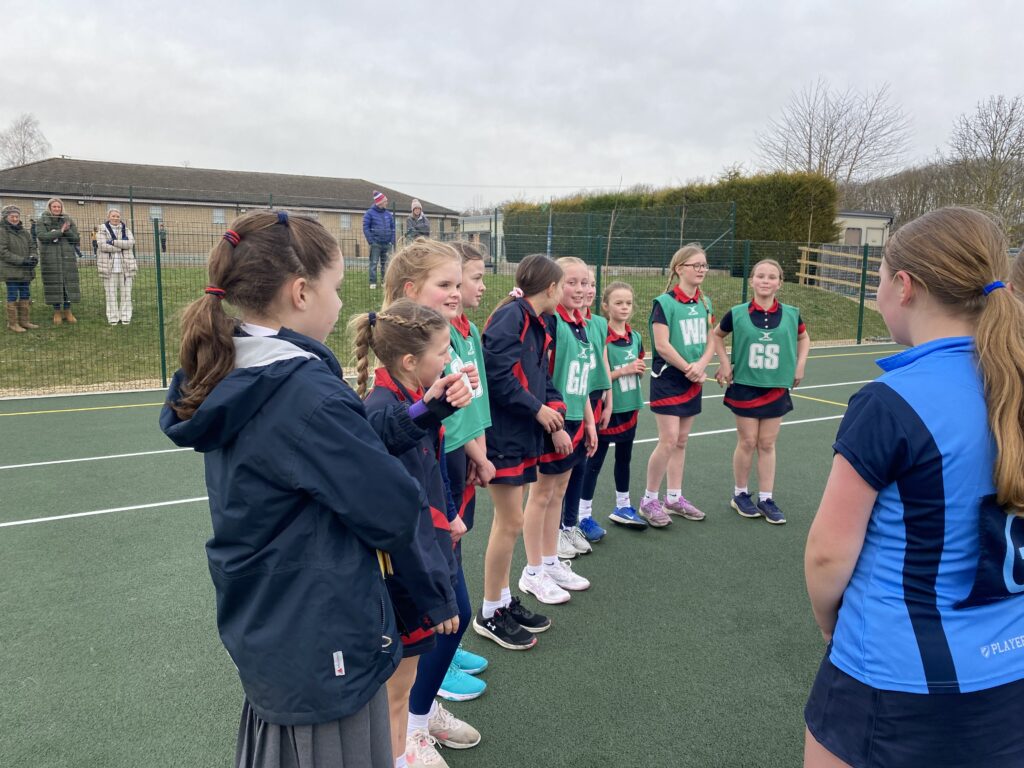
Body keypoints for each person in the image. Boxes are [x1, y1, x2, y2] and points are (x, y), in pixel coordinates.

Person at [160, 210, 425, 768]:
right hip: (319, 626)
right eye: (336, 288)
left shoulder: (236, 368)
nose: (339, 302)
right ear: (301, 292)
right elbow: (392, 509)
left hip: (274, 618)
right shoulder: (303, 392)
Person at [803, 207, 1024, 768]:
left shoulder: (892, 402)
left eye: (878, 278)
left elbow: (828, 556)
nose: (877, 292)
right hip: (1010, 674)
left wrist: (834, 629)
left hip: (897, 676)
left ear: (905, 286)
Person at [379, 241, 486, 762]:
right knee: (445, 611)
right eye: (445, 284)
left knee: (449, 613)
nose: (459, 292)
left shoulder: (446, 344)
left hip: (446, 478)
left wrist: (473, 452)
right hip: (423, 503)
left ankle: (418, 713)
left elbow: (446, 418)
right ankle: (410, 725)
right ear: (409, 294)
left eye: (457, 282)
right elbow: (399, 439)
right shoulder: (391, 382)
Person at [351, 300, 466, 768]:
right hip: (403, 578)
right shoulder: (382, 407)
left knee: (400, 689)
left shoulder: (403, 401)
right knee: (395, 695)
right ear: (408, 362)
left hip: (415, 568)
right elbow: (405, 516)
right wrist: (435, 595)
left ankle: (400, 752)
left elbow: (419, 459)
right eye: (443, 351)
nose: (450, 360)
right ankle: (399, 756)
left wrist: (432, 406)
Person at [473, 254, 564, 650]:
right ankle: (490, 611)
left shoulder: (537, 320)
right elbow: (498, 377)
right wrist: (537, 409)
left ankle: (503, 600)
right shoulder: (512, 316)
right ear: (551, 288)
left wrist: (551, 407)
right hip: (504, 438)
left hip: (521, 435)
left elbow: (538, 377)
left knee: (511, 522)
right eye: (562, 285)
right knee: (509, 523)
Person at [435, 241, 493, 704]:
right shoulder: (431, 340)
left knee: (453, 556)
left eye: (465, 281)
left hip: (461, 452)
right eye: (455, 281)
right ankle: (432, 671)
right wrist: (475, 451)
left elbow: (474, 403)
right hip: (442, 455)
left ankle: (446, 652)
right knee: (441, 564)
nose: (468, 289)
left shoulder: (464, 330)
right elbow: (445, 413)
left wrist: (479, 450)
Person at [522, 256, 597, 602]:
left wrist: (590, 422)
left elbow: (579, 382)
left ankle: (551, 561)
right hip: (553, 421)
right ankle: (532, 571)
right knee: (541, 495)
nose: (581, 289)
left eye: (586, 283)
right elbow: (544, 379)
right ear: (554, 286)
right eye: (573, 282)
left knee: (559, 492)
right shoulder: (551, 323)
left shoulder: (582, 323)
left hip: (575, 422)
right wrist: (554, 426)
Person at [713, 259, 810, 525]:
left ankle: (766, 498)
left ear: (780, 282)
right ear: (752, 280)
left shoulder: (791, 313)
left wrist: (800, 364)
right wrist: (724, 363)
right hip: (745, 385)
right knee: (747, 441)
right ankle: (740, 494)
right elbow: (717, 335)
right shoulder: (737, 312)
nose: (765, 281)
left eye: (771, 277)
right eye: (760, 276)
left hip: (776, 385)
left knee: (767, 443)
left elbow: (804, 338)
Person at [641, 243, 718, 527]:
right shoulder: (664, 303)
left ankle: (673, 497)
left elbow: (712, 339)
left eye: (704, 265)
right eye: (695, 265)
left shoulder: (705, 302)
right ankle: (649, 499)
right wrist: (688, 367)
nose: (701, 270)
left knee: (682, 441)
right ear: (679, 269)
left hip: (694, 377)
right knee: (669, 439)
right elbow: (661, 345)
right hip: (670, 378)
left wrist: (701, 366)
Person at [580, 281, 648, 529]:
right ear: (606, 306)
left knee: (625, 459)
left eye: (628, 303)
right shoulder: (602, 337)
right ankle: (583, 514)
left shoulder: (636, 336)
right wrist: (625, 370)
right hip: (608, 411)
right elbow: (599, 375)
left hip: (630, 406)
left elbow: (637, 366)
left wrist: (635, 371)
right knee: (594, 463)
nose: (624, 307)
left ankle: (623, 505)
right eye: (618, 303)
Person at [36, 197, 81, 325]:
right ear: (49, 208)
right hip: (50, 257)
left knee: (67, 284)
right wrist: (59, 232)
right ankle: (57, 311)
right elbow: (42, 236)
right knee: (54, 284)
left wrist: (66, 231)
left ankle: (67, 310)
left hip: (67, 257)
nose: (56, 209)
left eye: (58, 207)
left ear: (62, 208)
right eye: (54, 207)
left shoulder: (68, 220)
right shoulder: (42, 221)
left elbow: (76, 238)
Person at [1, 205, 39, 333]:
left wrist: (33, 257)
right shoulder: (2, 231)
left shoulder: (24, 232)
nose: (15, 218)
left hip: (25, 270)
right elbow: (3, 252)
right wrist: (22, 260)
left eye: (17, 216)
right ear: (6, 217)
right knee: (12, 295)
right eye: (12, 216)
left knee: (25, 294)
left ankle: (24, 321)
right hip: (11, 270)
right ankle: (13, 323)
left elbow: (32, 245)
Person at [96, 209, 138, 325]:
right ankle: (113, 317)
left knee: (126, 293)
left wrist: (113, 242)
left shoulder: (126, 229)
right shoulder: (102, 229)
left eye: (118, 216)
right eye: (113, 216)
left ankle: (125, 316)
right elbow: (102, 245)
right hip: (109, 267)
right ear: (109, 217)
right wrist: (121, 246)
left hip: (126, 267)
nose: (116, 218)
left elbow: (130, 243)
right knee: (110, 294)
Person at [363, 191, 395, 289]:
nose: (386, 203)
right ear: (380, 202)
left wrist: (392, 240)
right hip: (375, 243)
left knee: (386, 264)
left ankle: (384, 282)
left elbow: (393, 228)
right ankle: (372, 282)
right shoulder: (369, 213)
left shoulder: (389, 214)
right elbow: (366, 228)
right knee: (373, 263)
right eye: (385, 201)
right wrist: (371, 241)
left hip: (387, 243)